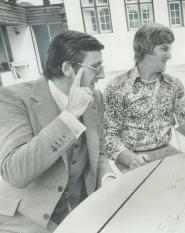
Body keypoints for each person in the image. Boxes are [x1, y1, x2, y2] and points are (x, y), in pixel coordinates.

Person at [0, 30, 116, 232]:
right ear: (67, 68)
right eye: (96, 67)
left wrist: (108, 179)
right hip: (25, 219)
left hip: (77, 211)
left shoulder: (95, 97)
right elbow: (15, 172)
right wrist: (70, 116)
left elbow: (100, 153)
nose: (103, 75)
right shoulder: (12, 99)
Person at [104, 23, 185, 171]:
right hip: (133, 161)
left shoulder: (174, 84)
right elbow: (108, 136)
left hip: (167, 155)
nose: (169, 55)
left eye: (170, 49)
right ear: (145, 49)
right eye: (164, 49)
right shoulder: (117, 87)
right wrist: (130, 158)